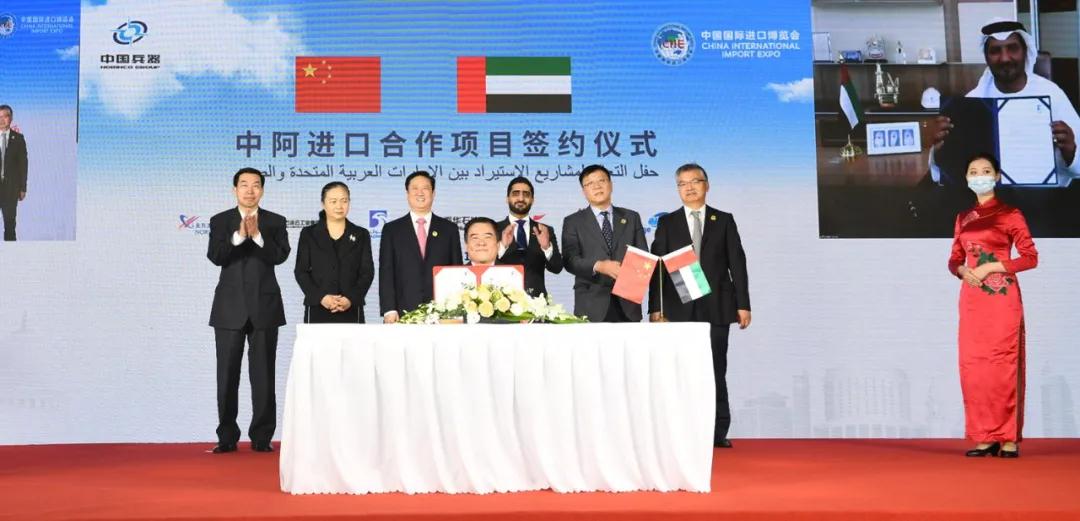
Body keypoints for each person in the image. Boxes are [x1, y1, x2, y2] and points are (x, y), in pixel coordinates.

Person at [648, 163, 751, 448]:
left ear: (707, 185)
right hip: (677, 309)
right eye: (682, 183)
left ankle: (717, 431)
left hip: (717, 306)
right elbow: (657, 269)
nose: (689, 187)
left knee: (716, 369)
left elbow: (737, 264)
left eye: (694, 181)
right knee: (679, 372)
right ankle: (680, 432)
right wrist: (655, 308)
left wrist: (743, 304)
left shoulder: (724, 220)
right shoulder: (667, 223)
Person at [947, 153, 1037, 458]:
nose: (980, 176)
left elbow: (1030, 257)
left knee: (1003, 365)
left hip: (1001, 298)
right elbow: (954, 259)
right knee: (975, 367)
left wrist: (991, 267)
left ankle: (1008, 438)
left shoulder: (1010, 214)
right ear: (966, 178)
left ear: (997, 176)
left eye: (986, 171)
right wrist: (962, 270)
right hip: (973, 299)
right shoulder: (963, 217)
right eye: (973, 172)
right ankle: (985, 436)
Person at [930, 20, 1080, 187]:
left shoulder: (1052, 94)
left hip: (1046, 196)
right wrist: (939, 149)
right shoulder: (973, 101)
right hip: (990, 196)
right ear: (986, 58)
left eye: (1012, 48)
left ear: (1025, 52)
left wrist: (1071, 150)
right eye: (995, 51)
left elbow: (1078, 166)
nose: (1005, 58)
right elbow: (947, 173)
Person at [206, 167, 290, 453]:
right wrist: (240, 236)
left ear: (262, 190)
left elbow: (280, 256)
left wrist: (258, 237)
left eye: (256, 185)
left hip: (265, 307)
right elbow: (216, 256)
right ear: (235, 190)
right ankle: (227, 436)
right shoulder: (220, 220)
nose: (250, 190)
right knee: (227, 376)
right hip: (228, 309)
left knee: (264, 375)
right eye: (244, 185)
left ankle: (262, 437)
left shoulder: (276, 221)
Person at [561, 164, 647, 322]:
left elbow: (643, 257)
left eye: (601, 181)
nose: (597, 186)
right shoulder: (573, 221)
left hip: (628, 304)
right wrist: (599, 266)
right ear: (583, 191)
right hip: (590, 303)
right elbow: (570, 261)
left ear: (611, 184)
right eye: (590, 183)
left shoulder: (631, 217)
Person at [379, 170, 462, 323]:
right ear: (407, 193)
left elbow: (456, 270)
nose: (420, 193)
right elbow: (386, 272)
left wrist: (456, 310)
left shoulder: (449, 229)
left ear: (433, 193)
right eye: (415, 188)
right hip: (403, 311)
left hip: (442, 313)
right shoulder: (392, 230)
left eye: (425, 188)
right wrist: (389, 309)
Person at [294, 181, 374, 323]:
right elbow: (301, 271)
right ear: (323, 204)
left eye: (344, 201)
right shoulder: (309, 234)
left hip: (351, 307)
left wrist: (350, 298)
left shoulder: (361, 234)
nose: (339, 206)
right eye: (333, 201)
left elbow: (367, 272)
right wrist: (321, 297)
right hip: (318, 307)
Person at [496, 176, 563, 297]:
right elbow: (485, 266)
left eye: (526, 194)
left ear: (532, 200)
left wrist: (546, 248)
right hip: (502, 302)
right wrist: (502, 247)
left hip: (537, 303)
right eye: (516, 194)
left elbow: (557, 268)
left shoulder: (544, 230)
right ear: (507, 198)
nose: (521, 198)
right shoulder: (494, 229)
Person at [0, 104, 28, 241]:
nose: (1, 120)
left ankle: (10, 252)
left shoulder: (18, 139)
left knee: (10, 226)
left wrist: (23, 188)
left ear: (11, 118)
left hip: (10, 189)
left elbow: (23, 165)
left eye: (5, 116)